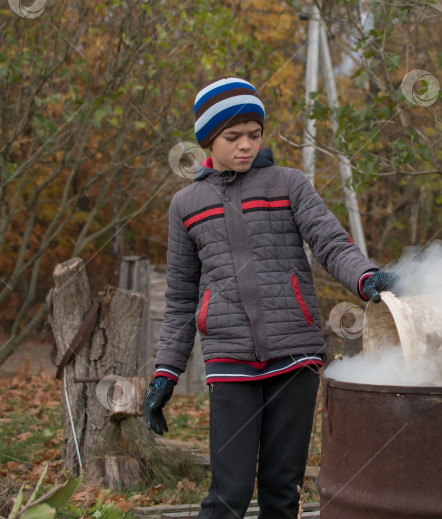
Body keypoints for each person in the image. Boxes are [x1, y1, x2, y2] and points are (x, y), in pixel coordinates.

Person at [143, 77, 396, 519]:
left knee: (282, 491)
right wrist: (166, 372)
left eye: (254, 135)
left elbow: (331, 244)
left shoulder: (289, 184)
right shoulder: (186, 204)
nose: (245, 145)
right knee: (229, 493)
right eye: (232, 137)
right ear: (208, 140)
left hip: (294, 355)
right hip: (230, 359)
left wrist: (366, 278)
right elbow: (181, 298)